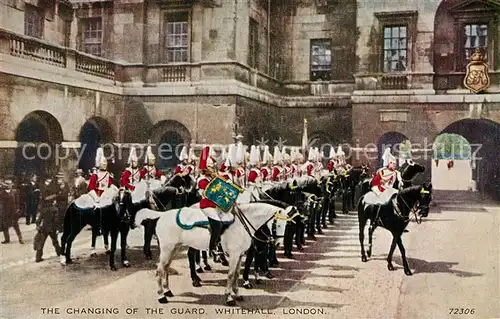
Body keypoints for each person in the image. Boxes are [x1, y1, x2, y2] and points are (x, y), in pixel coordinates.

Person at [196, 145, 226, 259]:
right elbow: (205, 194)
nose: (213, 169)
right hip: (206, 205)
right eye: (211, 168)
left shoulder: (212, 179)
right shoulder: (202, 180)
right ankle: (212, 246)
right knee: (217, 223)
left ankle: (220, 243)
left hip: (214, 205)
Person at [0, 179, 24, 244]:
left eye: (10, 185)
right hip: (5, 212)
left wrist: (18, 208)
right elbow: (1, 203)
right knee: (5, 227)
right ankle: (7, 239)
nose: (9, 186)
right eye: (7, 185)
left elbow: (17, 201)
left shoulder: (14, 191)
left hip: (13, 212)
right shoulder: (1, 193)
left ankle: (20, 239)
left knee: (16, 226)